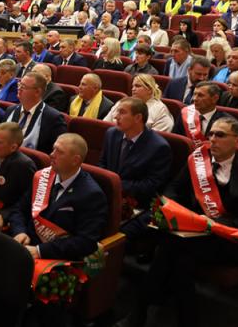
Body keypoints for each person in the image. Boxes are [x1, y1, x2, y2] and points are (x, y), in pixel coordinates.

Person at [125, 117, 238, 327]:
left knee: (169, 248)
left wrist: (219, 223)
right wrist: (176, 209)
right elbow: (173, 189)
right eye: (210, 134)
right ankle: (184, 318)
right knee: (180, 260)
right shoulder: (198, 161)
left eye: (220, 135)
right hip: (192, 232)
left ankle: (141, 309)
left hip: (227, 239)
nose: (212, 139)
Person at [10, 132, 108, 260]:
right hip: (25, 245)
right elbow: (19, 209)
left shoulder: (91, 194)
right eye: (53, 149)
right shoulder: (43, 177)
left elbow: (86, 242)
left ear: (75, 160)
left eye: (59, 152)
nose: (51, 154)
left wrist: (40, 251)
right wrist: (19, 231)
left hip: (57, 258)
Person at [99, 98, 172, 238]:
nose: (116, 116)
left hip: (138, 204)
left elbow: (151, 185)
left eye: (122, 112)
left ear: (138, 117)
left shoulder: (158, 147)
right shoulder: (111, 134)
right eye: (117, 112)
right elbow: (102, 164)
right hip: (109, 197)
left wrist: (115, 185)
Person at [3, 71, 68, 153]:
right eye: (19, 85)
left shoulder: (53, 118)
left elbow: (57, 151)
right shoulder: (10, 110)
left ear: (37, 92)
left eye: (23, 87)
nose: (19, 89)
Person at [106, 74, 174, 132]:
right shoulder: (122, 103)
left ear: (150, 90)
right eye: (132, 86)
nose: (133, 89)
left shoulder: (160, 110)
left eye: (137, 86)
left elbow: (156, 138)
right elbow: (105, 124)